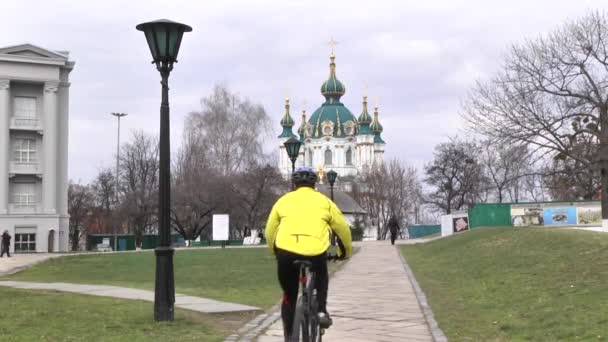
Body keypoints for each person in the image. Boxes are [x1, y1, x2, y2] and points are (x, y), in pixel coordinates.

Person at [265, 166, 352, 340]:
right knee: (321, 274)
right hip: (315, 251)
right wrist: (344, 252)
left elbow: (270, 230)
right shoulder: (325, 201)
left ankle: (289, 335)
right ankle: (320, 311)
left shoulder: (283, 201)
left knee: (289, 295)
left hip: (286, 252)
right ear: (314, 184)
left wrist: (275, 250)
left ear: (294, 183)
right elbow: (342, 228)